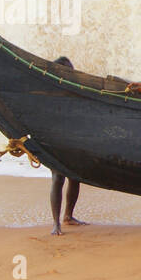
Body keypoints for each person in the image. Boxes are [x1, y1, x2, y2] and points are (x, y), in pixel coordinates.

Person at [49, 56, 88, 236]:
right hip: (55, 140)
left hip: (71, 139)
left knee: (74, 177)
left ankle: (68, 216)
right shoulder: (51, 90)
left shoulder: (73, 88)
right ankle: (56, 224)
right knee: (58, 178)